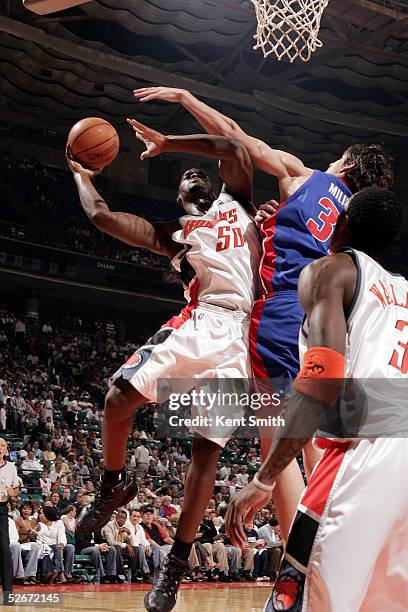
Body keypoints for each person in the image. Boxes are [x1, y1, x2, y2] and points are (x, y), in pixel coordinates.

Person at [134, 85, 395, 540]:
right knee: (315, 436)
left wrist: (184, 100)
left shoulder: (305, 176)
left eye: (337, 159)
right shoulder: (357, 222)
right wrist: (267, 219)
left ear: (345, 165)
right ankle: (340, 539)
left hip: (279, 315)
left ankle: (295, 558)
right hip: (332, 325)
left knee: (274, 438)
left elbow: (237, 139)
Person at [67, 122, 261, 609]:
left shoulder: (237, 203)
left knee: (204, 455)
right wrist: (80, 174)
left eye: (200, 171)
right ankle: (113, 484)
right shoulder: (178, 239)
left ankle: (174, 567)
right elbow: (103, 218)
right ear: (179, 197)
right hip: (201, 323)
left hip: (241, 338)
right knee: (117, 398)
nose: (192, 173)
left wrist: (169, 144)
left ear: (215, 185)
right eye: (183, 175)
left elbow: (235, 148)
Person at [225, 187, 408, 610]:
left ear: (339, 223)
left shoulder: (331, 271)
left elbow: (321, 384)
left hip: (360, 457)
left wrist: (263, 479)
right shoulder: (402, 290)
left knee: (303, 601)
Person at [0, 437, 20, 604]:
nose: (0, 448)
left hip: (1, 510)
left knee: (5, 550)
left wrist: (11, 492)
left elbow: (15, 490)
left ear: (6, 450)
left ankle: (8, 593)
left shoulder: (11, 467)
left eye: (2, 445)